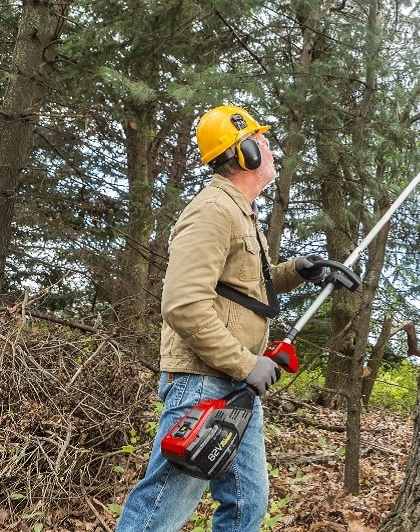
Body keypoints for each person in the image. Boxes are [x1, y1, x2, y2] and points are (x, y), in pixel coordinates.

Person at [116, 105, 323, 531]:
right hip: (205, 380)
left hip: (234, 384)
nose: (269, 148)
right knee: (162, 506)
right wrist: (249, 364)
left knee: (248, 502)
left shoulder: (240, 213)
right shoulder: (212, 209)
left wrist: (295, 272)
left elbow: (243, 289)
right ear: (245, 153)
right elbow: (184, 303)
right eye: (262, 142)